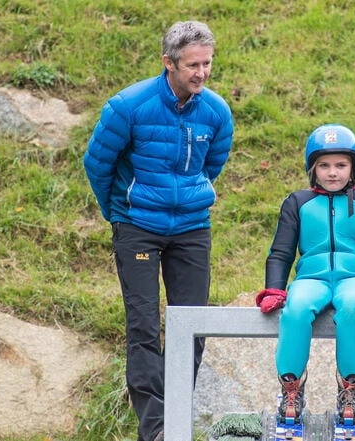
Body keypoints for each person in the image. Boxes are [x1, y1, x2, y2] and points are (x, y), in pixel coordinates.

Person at [83, 21, 233, 441]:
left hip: (191, 230)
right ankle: (156, 430)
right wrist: (119, 214)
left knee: (193, 325)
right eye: (192, 65)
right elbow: (97, 165)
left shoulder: (216, 112)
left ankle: (177, 418)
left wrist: (188, 196)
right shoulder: (127, 106)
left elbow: (212, 164)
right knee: (145, 327)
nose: (201, 73)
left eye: (207, 63)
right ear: (168, 63)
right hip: (137, 229)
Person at [255, 124, 355, 425]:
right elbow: (281, 252)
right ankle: (291, 387)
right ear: (312, 168)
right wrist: (274, 288)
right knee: (295, 309)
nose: (332, 172)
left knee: (352, 308)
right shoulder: (297, 202)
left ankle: (350, 388)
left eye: (341, 165)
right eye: (324, 165)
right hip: (312, 278)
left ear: (353, 167)